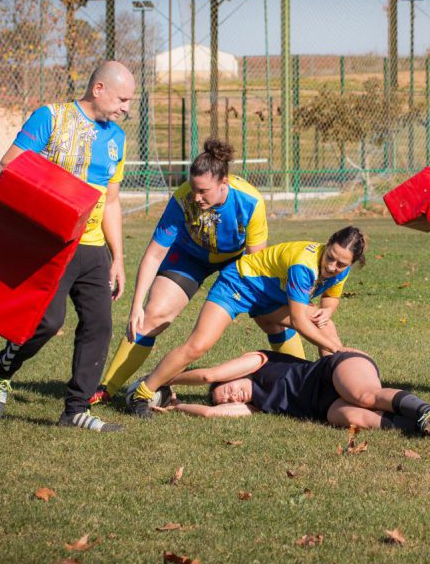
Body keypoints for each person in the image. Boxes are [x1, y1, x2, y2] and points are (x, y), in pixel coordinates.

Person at [89, 138, 301, 406]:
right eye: (193, 189)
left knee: (271, 318)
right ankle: (107, 389)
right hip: (189, 257)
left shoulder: (250, 202)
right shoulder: (182, 199)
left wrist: (252, 304)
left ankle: (304, 377)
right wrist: (136, 307)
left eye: (204, 191)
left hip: (236, 263)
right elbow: (154, 254)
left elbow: (256, 262)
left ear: (224, 183)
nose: (196, 197)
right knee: (152, 316)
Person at [0, 61, 133, 432]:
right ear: (99, 89)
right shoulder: (50, 117)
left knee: (99, 326)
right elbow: (8, 168)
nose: (127, 108)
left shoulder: (117, 139)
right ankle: (2, 368)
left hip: (93, 247)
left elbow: (111, 201)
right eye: (123, 98)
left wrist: (118, 258)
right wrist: (56, 199)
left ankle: (75, 410)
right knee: (48, 322)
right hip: (51, 243)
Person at [125, 226, 366, 417]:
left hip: (270, 298)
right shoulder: (304, 264)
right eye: (330, 257)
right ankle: (143, 391)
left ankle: (332, 384)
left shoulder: (340, 270)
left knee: (325, 324)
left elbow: (331, 297)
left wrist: (327, 311)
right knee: (199, 345)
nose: (332, 266)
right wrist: (337, 350)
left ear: (351, 263)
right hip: (238, 285)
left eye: (341, 264)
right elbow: (299, 320)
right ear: (328, 243)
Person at [152, 349, 430, 437]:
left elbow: (210, 375)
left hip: (332, 371)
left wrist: (167, 380)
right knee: (355, 418)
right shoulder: (256, 406)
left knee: (364, 395)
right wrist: (177, 407)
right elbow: (209, 412)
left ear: (236, 376)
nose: (232, 397)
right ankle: (423, 429)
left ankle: (425, 410)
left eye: (228, 390)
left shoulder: (258, 360)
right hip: (323, 405)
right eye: (229, 400)